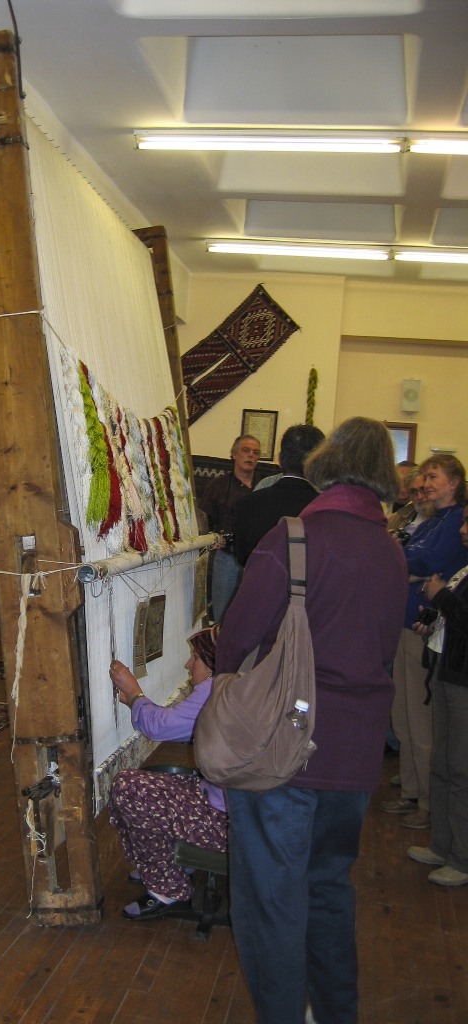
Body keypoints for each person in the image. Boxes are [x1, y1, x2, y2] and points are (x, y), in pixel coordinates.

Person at [215, 416, 408, 1024]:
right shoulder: (391, 550)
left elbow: (236, 640)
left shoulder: (292, 538)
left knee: (272, 899)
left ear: (325, 465)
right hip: (354, 756)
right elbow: (380, 646)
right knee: (328, 891)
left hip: (283, 749)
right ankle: (334, 1013)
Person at [108, 628, 227, 921]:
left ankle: (168, 888)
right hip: (240, 812)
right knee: (160, 780)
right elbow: (176, 722)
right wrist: (137, 702)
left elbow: (160, 727)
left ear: (213, 666)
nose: (188, 665)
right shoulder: (236, 687)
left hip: (227, 825)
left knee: (129, 788)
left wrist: (135, 692)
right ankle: (166, 863)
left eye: (195, 658)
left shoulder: (215, 692)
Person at [384, 454, 468, 829]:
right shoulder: (434, 519)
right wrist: (412, 566)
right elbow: (405, 555)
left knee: (421, 722)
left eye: (433, 477)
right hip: (406, 621)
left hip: (425, 627)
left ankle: (428, 803)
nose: (426, 485)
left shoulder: (455, 522)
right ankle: (412, 789)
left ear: (454, 483)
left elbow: (428, 559)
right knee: (402, 714)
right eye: (423, 479)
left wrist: (412, 567)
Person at [408, 505, 468, 886]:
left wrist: (440, 596)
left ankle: (461, 858)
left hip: (464, 682)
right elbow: (454, 615)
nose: (462, 529)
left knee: (461, 770)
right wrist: (431, 616)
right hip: (448, 673)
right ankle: (442, 846)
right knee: (444, 765)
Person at [233, 424, 324, 567]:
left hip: (260, 585)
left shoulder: (245, 504)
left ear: (280, 460)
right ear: (318, 464)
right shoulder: (326, 508)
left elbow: (243, 559)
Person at [199, 434, 262, 622]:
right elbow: (202, 521)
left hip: (258, 559)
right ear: (234, 454)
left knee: (253, 618)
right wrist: (212, 539)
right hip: (227, 557)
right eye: (245, 450)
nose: (250, 455)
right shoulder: (217, 486)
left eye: (255, 452)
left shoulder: (266, 486)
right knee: (222, 618)